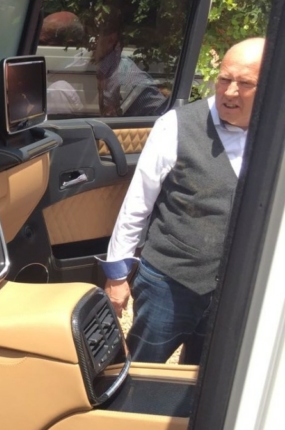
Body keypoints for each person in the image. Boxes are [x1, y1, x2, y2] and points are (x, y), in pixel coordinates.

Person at [100, 38, 266, 364]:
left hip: (235, 288)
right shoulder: (176, 126)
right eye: (225, 79)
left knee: (206, 378)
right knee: (141, 369)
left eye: (245, 84)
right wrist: (117, 276)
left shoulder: (273, 135)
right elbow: (137, 204)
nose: (230, 92)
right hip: (168, 283)